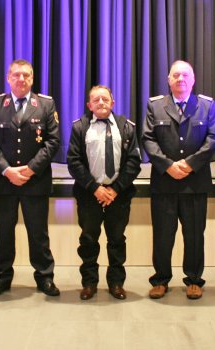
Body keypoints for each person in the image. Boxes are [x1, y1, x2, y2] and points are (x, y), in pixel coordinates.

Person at [142, 60, 215, 300]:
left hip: (194, 182)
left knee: (195, 235)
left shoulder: (206, 106)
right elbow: (148, 139)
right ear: (168, 80)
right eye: (175, 75)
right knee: (163, 235)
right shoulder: (155, 106)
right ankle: (161, 279)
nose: (180, 79)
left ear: (193, 79)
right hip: (164, 182)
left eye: (185, 75)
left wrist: (189, 164)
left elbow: (213, 138)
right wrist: (168, 166)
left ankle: (194, 280)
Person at [0, 59, 61, 297]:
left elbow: (53, 142)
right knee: (3, 233)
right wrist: (8, 170)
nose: (21, 79)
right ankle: (2, 277)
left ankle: (45, 277)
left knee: (38, 233)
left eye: (26, 75)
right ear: (8, 78)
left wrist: (30, 170)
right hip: (4, 180)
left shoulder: (45, 104)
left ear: (32, 78)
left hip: (34, 181)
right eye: (16, 75)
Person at [67, 85, 142, 300]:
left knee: (117, 240)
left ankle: (116, 283)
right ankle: (89, 283)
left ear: (113, 103)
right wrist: (95, 188)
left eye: (105, 99)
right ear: (89, 105)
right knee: (89, 240)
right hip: (89, 194)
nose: (101, 102)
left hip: (118, 196)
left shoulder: (126, 127)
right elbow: (73, 161)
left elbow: (133, 163)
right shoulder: (80, 127)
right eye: (96, 100)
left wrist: (115, 189)